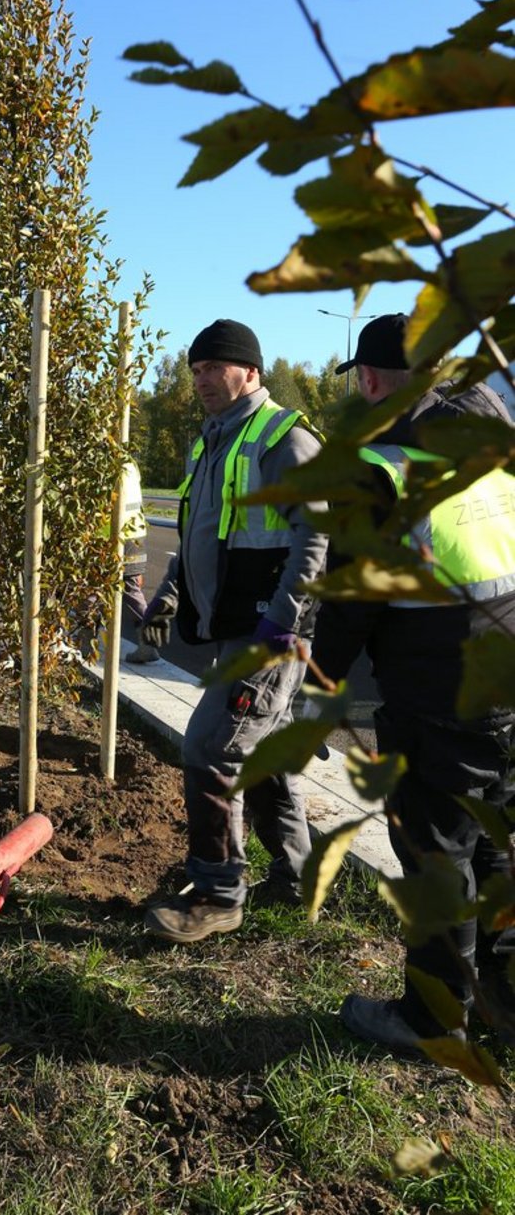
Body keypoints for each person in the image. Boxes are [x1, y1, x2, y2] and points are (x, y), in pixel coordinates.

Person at [309, 313, 515, 1053]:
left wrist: (321, 675)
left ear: (369, 379)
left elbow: (353, 595)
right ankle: (502, 999)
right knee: (494, 840)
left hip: (439, 689)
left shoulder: (380, 462)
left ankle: (433, 1019)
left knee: (436, 853)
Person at [139, 319, 327, 941]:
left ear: (250, 370)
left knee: (211, 749)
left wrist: (282, 620)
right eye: (194, 370)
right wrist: (167, 596)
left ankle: (220, 893)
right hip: (233, 631)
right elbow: (199, 535)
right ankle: (299, 879)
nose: (201, 381)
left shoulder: (282, 439)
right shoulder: (209, 443)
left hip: (268, 637)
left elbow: (317, 538)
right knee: (265, 756)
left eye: (212, 367)